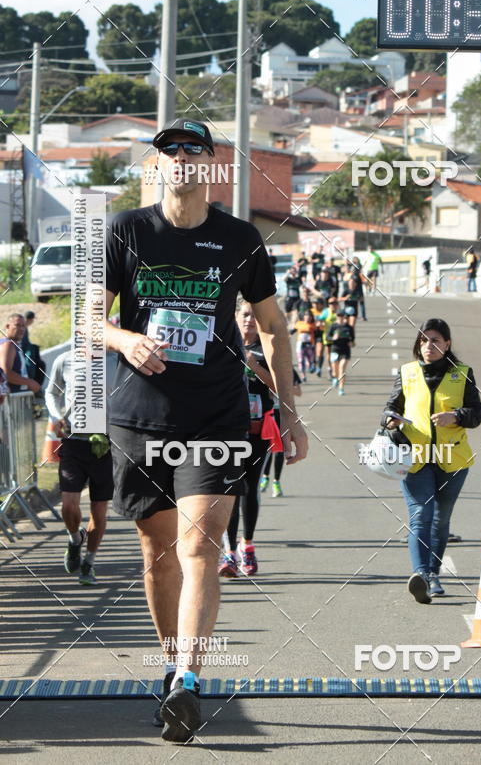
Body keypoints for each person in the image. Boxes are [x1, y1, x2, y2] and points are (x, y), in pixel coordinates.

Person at [104, 117, 307, 743]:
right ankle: (172, 669)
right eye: (170, 150)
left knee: (200, 548)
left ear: (211, 165)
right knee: (158, 555)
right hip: (140, 414)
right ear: (158, 165)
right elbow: (90, 317)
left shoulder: (240, 237)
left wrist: (288, 410)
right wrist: (124, 339)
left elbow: (272, 326)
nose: (182, 158)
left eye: (194, 149)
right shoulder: (126, 230)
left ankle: (189, 681)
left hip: (215, 415)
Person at [382, 318, 481, 603]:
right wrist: (390, 421)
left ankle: (433, 572)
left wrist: (457, 416)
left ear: (447, 344)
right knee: (420, 515)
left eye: (435, 340)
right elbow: (389, 409)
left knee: (440, 519)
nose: (428, 345)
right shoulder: (407, 372)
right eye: (424, 340)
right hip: (414, 458)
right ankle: (421, 575)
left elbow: (477, 413)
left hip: (452, 458)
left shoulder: (462, 374)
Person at [219, 303, 282, 578]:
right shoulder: (224, 344)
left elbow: (279, 386)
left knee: (250, 487)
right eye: (244, 315)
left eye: (254, 316)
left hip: (258, 429)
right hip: (229, 429)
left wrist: (253, 365)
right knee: (230, 488)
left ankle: (248, 545)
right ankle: (229, 552)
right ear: (235, 316)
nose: (249, 320)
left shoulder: (266, 348)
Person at [45, 350, 113, 585]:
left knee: (99, 511)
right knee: (68, 506)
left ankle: (89, 564)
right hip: (74, 442)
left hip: (106, 445)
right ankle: (75, 539)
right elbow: (51, 392)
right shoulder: (65, 359)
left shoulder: (117, 360)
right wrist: (57, 416)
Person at [261, 371, 302, 498]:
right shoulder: (263, 369)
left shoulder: (289, 370)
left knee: (280, 450)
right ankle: (265, 477)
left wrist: (284, 388)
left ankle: (276, 482)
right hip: (267, 412)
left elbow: (299, 392)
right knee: (267, 448)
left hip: (282, 414)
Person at [0, 314, 41, 394]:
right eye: (17, 325)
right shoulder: (8, 345)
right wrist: (29, 382)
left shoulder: (13, 344)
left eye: (23, 326)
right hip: (10, 398)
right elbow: (5, 373)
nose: (21, 329)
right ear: (7, 326)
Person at [326, 310, 355, 396]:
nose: (340, 317)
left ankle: (341, 388)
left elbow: (353, 340)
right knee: (335, 371)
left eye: (342, 316)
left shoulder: (349, 328)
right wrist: (333, 338)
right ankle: (335, 378)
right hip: (335, 349)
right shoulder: (333, 326)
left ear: (344, 317)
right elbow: (328, 337)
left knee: (342, 369)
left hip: (345, 351)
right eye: (339, 316)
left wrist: (351, 343)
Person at [292, 310, 317, 381]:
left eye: (309, 316)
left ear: (311, 317)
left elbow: (317, 334)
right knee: (301, 360)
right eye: (306, 315)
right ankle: (303, 375)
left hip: (309, 344)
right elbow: (293, 331)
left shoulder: (313, 325)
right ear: (304, 317)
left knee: (310, 359)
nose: (308, 317)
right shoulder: (299, 323)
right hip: (300, 344)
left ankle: (310, 366)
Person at [350, 256, 367, 321]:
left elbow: (361, 276)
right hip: (358, 289)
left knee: (358, 303)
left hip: (357, 289)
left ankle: (359, 316)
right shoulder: (357, 271)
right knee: (359, 303)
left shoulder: (355, 273)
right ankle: (362, 316)